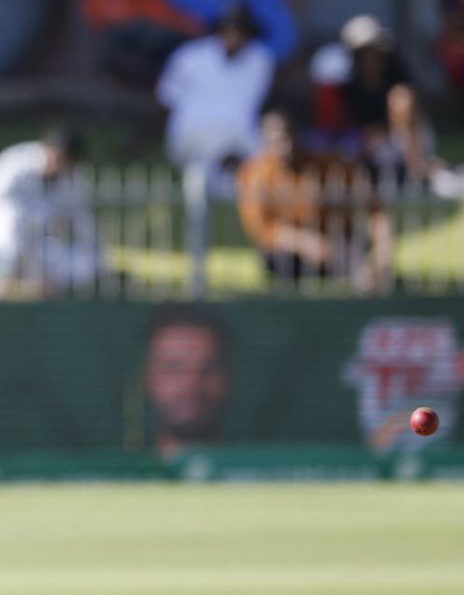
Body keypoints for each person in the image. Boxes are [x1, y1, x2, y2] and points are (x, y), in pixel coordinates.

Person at [236, 109, 394, 291]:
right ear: (264, 141)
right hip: (291, 250)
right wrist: (303, 241)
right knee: (275, 259)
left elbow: (371, 201)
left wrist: (383, 248)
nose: (285, 147)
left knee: (353, 255)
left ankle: (365, 280)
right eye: (277, 140)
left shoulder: (326, 163)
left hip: (336, 242)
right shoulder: (254, 174)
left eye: (289, 137)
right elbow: (261, 230)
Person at [155, 1, 275, 192]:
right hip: (194, 133)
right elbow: (166, 98)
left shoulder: (260, 61)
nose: (233, 36)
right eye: (228, 29)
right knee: (205, 170)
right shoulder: (189, 57)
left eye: (239, 30)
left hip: (241, 137)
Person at [0, 125, 100, 296]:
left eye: (67, 161)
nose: (60, 165)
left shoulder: (74, 179)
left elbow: (83, 224)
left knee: (84, 264)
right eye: (58, 156)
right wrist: (47, 218)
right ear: (46, 149)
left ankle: (29, 288)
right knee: (11, 218)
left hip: (39, 245)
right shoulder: (16, 163)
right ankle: (1, 283)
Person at [143, 302, 232, 458]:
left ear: (227, 377)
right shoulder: (114, 476)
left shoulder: (262, 473)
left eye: (207, 370)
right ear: (149, 378)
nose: (191, 385)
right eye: (174, 369)